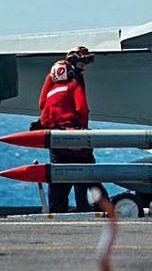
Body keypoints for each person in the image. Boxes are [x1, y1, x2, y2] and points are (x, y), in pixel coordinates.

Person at [38, 48, 108, 213]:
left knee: (58, 176)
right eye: (83, 61)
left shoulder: (51, 78)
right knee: (88, 173)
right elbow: (81, 107)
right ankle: (98, 207)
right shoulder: (75, 79)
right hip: (75, 134)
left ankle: (56, 210)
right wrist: (83, 131)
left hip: (54, 136)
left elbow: (42, 104)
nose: (85, 65)